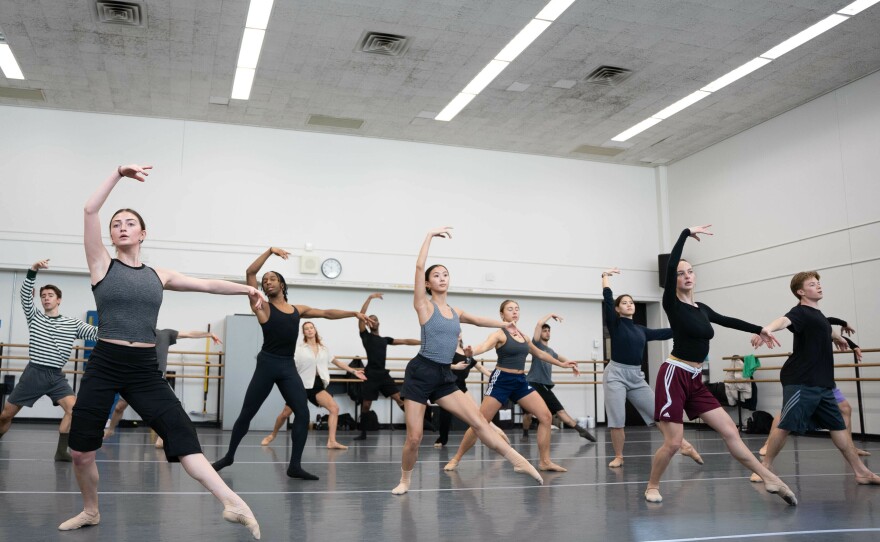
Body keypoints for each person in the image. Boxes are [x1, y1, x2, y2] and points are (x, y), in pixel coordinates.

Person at [63, 164, 260, 538]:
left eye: (129, 222)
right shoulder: (101, 264)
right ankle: (91, 511)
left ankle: (232, 502)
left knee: (182, 436)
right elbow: (90, 210)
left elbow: (205, 285)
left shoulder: (160, 275)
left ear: (143, 233)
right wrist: (118, 173)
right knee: (81, 451)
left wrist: (245, 290)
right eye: (116, 223)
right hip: (105, 363)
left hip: (143, 367)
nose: (121, 226)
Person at [645, 225, 796, 505]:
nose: (686, 276)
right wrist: (685, 234)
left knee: (730, 431)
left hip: (695, 379)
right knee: (674, 442)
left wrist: (761, 329)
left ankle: (769, 477)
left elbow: (728, 320)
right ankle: (652, 485)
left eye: (690, 271)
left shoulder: (702, 308)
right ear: (673, 280)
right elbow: (670, 271)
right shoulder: (672, 304)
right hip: (674, 375)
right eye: (680, 273)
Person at [391, 227, 543, 494]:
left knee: (479, 422)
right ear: (428, 283)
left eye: (445, 274)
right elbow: (418, 267)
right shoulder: (424, 305)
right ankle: (405, 480)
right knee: (414, 438)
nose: (441, 278)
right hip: (420, 372)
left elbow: (478, 319)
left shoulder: (454, 310)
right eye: (436, 275)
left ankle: (517, 461)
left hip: (443, 375)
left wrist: (505, 324)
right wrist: (429, 236)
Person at [211, 247, 368, 480]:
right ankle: (229, 456)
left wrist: (353, 313)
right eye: (265, 281)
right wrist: (269, 251)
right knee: (247, 413)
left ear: (282, 285)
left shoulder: (297, 310)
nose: (267, 282)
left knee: (303, 413)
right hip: (267, 364)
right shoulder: (262, 306)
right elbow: (250, 272)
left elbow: (326, 313)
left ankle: (295, 466)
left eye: (272, 279)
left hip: (287, 367)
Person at [749, 271, 880, 486]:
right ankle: (765, 468)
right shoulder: (800, 312)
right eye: (812, 284)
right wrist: (767, 329)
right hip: (801, 380)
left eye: (819, 283)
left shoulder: (819, 316)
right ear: (801, 292)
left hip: (823, 383)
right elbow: (784, 320)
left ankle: (861, 471)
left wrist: (844, 341)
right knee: (785, 425)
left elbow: (829, 332)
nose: (819, 286)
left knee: (838, 427)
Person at [443, 300, 580, 473]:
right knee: (480, 422)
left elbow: (539, 353)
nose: (514, 312)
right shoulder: (499, 334)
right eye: (510, 309)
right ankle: (456, 458)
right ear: (502, 315)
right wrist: (470, 353)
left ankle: (545, 461)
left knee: (545, 416)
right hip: (502, 380)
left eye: (517, 309)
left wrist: (563, 364)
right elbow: (484, 346)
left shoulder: (523, 336)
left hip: (520, 381)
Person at [601, 268, 702, 468]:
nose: (629, 305)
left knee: (658, 413)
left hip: (636, 377)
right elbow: (607, 299)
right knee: (617, 419)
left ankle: (684, 445)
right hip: (615, 375)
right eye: (624, 303)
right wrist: (605, 278)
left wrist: (689, 328)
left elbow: (665, 333)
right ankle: (619, 456)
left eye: (631, 302)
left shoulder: (641, 330)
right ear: (618, 309)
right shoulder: (615, 324)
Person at [0, 259, 98, 462]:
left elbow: (97, 333)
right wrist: (33, 270)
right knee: (6, 415)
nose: (46, 299)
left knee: (75, 410)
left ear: (59, 300)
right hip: (34, 373)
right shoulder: (35, 317)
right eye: (43, 296)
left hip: (56, 377)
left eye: (50, 296)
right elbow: (25, 296)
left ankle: (61, 451)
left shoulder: (72, 324)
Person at [757, 319, 870, 457]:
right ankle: (769, 443)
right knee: (786, 414)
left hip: (823, 378)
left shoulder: (822, 328)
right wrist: (763, 330)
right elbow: (786, 322)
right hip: (804, 378)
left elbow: (836, 335)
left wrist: (852, 342)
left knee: (845, 408)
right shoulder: (807, 321)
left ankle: (850, 447)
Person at [103, 328, 222, 448]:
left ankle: (162, 437)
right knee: (119, 407)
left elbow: (189, 333)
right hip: (136, 377)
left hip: (156, 378)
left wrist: (209, 334)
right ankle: (111, 429)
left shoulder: (165, 334)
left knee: (167, 409)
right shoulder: (137, 333)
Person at [260, 321, 367, 449]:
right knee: (285, 414)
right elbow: (289, 365)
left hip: (316, 385)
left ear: (315, 330)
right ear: (304, 333)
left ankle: (331, 441)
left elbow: (338, 363)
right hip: (300, 385)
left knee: (334, 408)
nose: (310, 330)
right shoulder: (299, 350)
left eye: (311, 327)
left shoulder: (324, 349)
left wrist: (354, 371)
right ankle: (272, 435)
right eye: (306, 329)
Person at [353, 293, 420, 441]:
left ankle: (415, 426)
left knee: (399, 399)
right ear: (368, 323)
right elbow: (361, 316)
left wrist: (422, 342)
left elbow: (405, 341)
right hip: (371, 375)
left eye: (375, 319)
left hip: (383, 375)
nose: (373, 321)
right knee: (366, 406)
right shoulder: (366, 336)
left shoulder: (385, 340)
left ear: (379, 323)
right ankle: (363, 433)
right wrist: (369, 298)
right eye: (370, 320)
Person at [521, 315, 596, 443]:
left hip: (542, 384)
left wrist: (573, 366)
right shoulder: (536, 345)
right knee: (551, 411)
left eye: (548, 330)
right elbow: (539, 324)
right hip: (535, 382)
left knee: (543, 412)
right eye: (545, 330)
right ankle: (581, 431)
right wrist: (551, 315)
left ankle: (580, 431)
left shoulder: (551, 351)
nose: (547, 332)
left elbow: (562, 358)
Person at [434, 336, 508, 448]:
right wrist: (455, 366)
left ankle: (497, 432)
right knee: (445, 416)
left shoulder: (466, 353)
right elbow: (440, 365)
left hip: (462, 387)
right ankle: (442, 439)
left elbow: (480, 367)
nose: (458, 333)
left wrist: (493, 376)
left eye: (459, 331)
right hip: (448, 388)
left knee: (477, 412)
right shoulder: (447, 351)